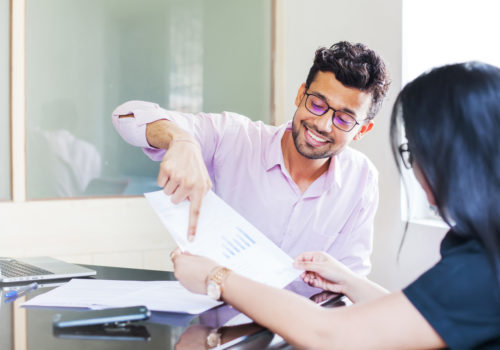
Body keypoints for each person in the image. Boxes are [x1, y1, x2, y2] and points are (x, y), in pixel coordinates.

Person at [172, 62, 500, 349]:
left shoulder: (482, 268)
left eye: (414, 153)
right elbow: (413, 313)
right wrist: (347, 281)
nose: (415, 171)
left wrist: (217, 277)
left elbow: (330, 334)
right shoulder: (481, 252)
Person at [112, 41, 390, 276]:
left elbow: (349, 281)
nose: (323, 124)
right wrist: (180, 139)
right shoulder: (234, 138)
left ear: (363, 130)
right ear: (300, 94)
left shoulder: (361, 179)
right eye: (316, 104)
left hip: (300, 335)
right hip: (217, 331)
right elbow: (127, 116)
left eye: (343, 119)